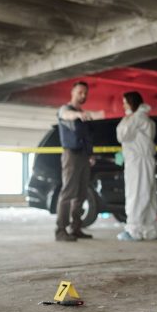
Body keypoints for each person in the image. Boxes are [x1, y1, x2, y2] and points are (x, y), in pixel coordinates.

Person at [55, 81, 95, 242]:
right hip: (71, 155)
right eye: (80, 92)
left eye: (85, 93)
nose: (83, 95)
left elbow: (86, 137)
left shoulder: (83, 113)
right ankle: (60, 230)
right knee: (68, 193)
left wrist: (90, 154)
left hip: (84, 155)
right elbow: (66, 116)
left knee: (81, 193)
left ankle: (76, 228)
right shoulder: (65, 110)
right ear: (72, 92)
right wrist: (77, 115)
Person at [116, 91, 157, 241]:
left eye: (125, 102)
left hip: (137, 161)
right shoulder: (144, 117)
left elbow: (122, 135)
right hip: (145, 160)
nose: (123, 105)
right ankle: (149, 230)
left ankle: (134, 230)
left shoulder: (136, 118)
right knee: (148, 195)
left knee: (136, 194)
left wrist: (126, 118)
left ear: (132, 103)